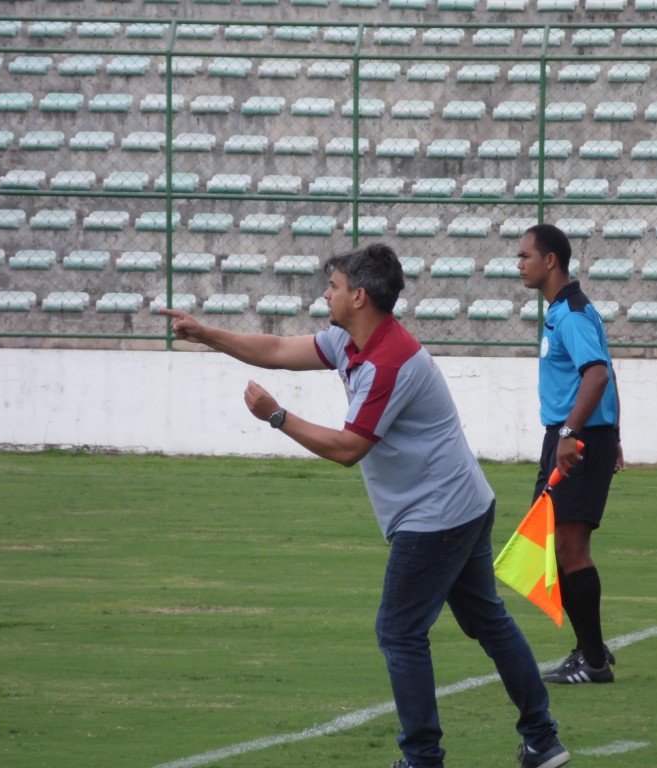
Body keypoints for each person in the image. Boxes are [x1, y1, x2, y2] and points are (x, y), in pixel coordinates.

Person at [159, 243, 570, 768]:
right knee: (487, 620)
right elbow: (279, 349)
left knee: (400, 632)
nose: (324, 293)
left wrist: (277, 416)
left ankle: (423, 758)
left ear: (358, 296)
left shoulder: (388, 363)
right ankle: (543, 739)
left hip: (436, 516)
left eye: (331, 285)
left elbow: (349, 450)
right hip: (464, 502)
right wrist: (206, 334)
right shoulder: (351, 340)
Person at [517, 224, 624, 686]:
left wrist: (571, 432)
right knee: (548, 543)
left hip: (575, 440)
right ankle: (592, 647)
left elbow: (596, 375)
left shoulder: (573, 313)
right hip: (574, 435)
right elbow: (604, 373)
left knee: (568, 547)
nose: (519, 264)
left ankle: (594, 661)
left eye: (525, 256)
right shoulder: (564, 310)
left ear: (551, 261)